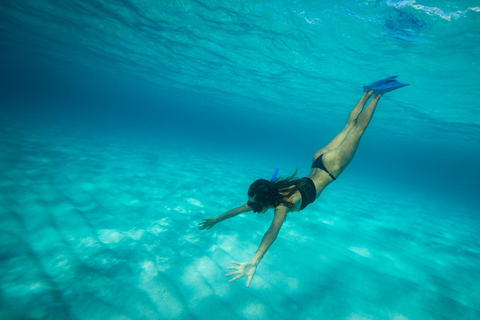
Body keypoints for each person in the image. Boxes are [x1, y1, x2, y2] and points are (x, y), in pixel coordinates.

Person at [198, 77, 409, 287]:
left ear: (265, 199)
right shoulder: (273, 191)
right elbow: (238, 209)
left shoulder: (281, 206)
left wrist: (255, 260)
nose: (251, 208)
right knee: (348, 128)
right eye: (252, 204)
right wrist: (217, 219)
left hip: (331, 166)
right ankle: (366, 92)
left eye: (254, 204)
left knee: (357, 130)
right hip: (318, 160)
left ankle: (378, 93)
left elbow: (272, 231)